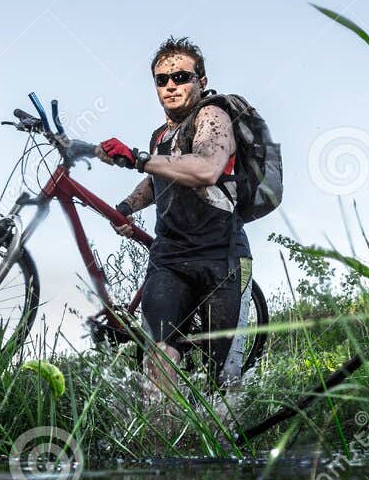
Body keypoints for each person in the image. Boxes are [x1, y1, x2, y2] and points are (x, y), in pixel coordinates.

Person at [96, 37, 252, 398]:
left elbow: (205, 169)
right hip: (169, 259)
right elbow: (155, 181)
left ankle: (222, 444)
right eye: (162, 80)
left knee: (223, 378)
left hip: (222, 258)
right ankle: (160, 442)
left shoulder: (213, 115)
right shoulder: (160, 136)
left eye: (181, 76)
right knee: (158, 357)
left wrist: (134, 158)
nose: (171, 86)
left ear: (201, 79)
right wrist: (125, 208)